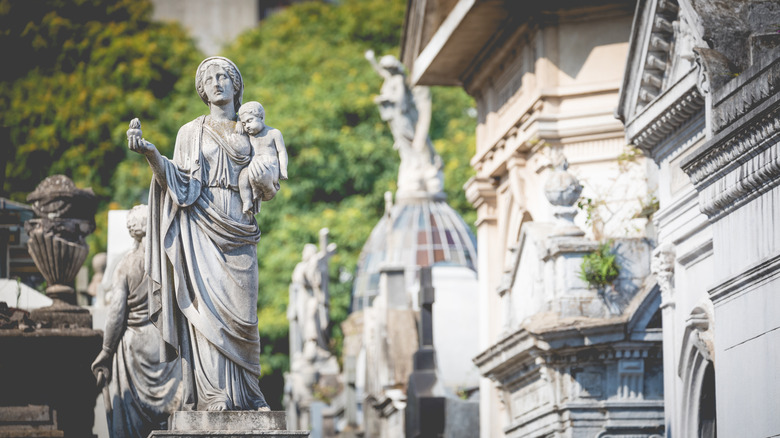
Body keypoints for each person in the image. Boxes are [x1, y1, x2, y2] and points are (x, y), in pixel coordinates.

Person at [127, 56, 270, 411]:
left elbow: (270, 177)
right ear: (202, 90)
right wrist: (151, 154)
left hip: (241, 227)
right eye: (209, 79)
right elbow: (180, 183)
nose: (217, 82)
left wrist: (267, 175)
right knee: (207, 313)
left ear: (236, 86)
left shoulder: (251, 129)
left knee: (244, 316)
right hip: (202, 229)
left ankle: (250, 392)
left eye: (224, 76)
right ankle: (213, 393)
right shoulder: (191, 132)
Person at [91, 205, 181, 437]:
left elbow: (116, 315)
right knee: (169, 419)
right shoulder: (170, 262)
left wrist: (106, 350)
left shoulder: (127, 265)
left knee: (132, 424)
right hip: (166, 345)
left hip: (134, 346)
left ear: (134, 230)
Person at [236, 101, 289, 214]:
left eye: (250, 121)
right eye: (244, 124)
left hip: (270, 167)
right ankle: (247, 201)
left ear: (261, 117)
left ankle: (260, 190)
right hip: (253, 167)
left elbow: (282, 152)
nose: (247, 126)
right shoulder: (249, 137)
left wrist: (283, 170)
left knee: (257, 169)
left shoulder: (273, 133)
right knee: (243, 176)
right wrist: (238, 124)